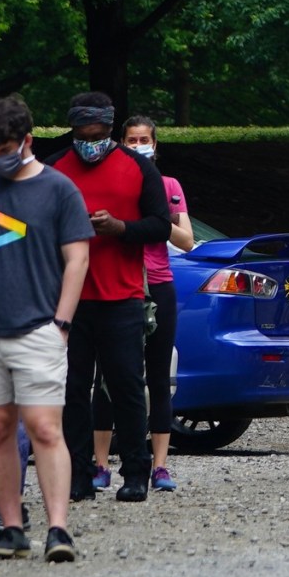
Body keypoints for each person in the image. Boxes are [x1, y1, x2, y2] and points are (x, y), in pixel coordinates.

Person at [0, 95, 91, 563]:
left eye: (6, 146)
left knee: (46, 428)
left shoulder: (59, 189)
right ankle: (11, 526)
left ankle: (58, 528)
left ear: (27, 140)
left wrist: (61, 323)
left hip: (38, 327)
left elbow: (78, 258)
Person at [41, 95, 171, 504]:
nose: (89, 143)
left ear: (111, 132)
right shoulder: (56, 168)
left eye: (97, 136)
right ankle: (79, 474)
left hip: (123, 297)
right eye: (82, 136)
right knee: (73, 389)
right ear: (72, 132)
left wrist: (121, 228)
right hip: (70, 301)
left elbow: (161, 226)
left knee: (127, 388)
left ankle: (136, 472)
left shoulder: (138, 168)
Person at [86, 117, 195, 495]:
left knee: (158, 375)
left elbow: (187, 241)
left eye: (144, 140)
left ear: (155, 144)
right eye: (131, 140)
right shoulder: (111, 180)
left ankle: (160, 465)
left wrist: (155, 220)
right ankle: (101, 463)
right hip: (118, 286)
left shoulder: (168, 186)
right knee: (107, 377)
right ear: (120, 142)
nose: (138, 145)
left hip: (158, 284)